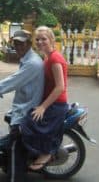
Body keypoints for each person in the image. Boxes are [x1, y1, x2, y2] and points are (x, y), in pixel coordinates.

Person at [0, 30, 44, 182]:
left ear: (28, 43)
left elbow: (14, 80)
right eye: (16, 43)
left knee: (14, 148)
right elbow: (16, 80)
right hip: (24, 104)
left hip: (27, 110)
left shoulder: (32, 62)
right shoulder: (27, 59)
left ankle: (15, 178)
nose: (18, 46)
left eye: (21, 43)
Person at [21, 26, 69, 171]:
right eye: (38, 39)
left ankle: (46, 153)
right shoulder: (47, 56)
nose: (40, 42)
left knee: (29, 122)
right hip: (49, 101)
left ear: (51, 40)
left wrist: (43, 107)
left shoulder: (54, 58)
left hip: (56, 104)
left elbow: (60, 87)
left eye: (44, 39)